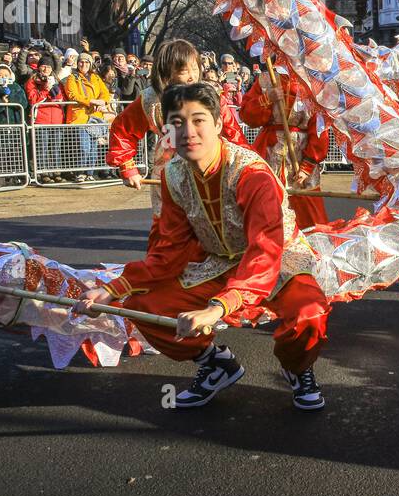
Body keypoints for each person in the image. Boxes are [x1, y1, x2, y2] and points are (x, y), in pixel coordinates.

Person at [74, 83, 332, 411]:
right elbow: (169, 250)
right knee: (145, 307)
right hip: (218, 261)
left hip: (280, 260)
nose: (188, 132)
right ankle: (215, 362)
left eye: (198, 120)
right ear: (167, 129)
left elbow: (265, 250)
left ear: (219, 123)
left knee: (308, 314)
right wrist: (112, 290)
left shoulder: (251, 173)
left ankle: (297, 367)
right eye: (177, 123)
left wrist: (217, 307)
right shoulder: (173, 176)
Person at [107, 38, 249, 245]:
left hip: (209, 165)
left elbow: (232, 132)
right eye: (184, 70)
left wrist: (244, 168)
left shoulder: (211, 95)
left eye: (194, 68)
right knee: (168, 222)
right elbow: (123, 129)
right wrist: (128, 167)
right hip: (167, 167)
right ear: (166, 72)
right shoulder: (149, 99)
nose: (192, 76)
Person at [238, 62, 329, 231]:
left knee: (306, 206)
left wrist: (307, 167)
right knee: (267, 198)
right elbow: (246, 115)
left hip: (301, 152)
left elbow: (319, 128)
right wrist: (266, 99)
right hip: (269, 150)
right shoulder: (265, 79)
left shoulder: (313, 81)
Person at [63, 52, 113, 182]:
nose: (83, 64)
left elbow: (105, 93)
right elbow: (72, 95)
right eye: (81, 62)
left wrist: (103, 102)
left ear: (90, 64)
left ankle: (89, 173)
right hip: (81, 117)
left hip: (95, 117)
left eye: (86, 62)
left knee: (93, 148)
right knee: (84, 147)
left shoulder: (96, 78)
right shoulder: (72, 77)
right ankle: (80, 172)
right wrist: (92, 101)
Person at [26, 55, 67, 183]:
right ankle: (43, 173)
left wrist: (54, 90)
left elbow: (63, 99)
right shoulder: (32, 81)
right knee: (42, 148)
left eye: (48, 66)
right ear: (38, 67)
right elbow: (33, 99)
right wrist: (45, 89)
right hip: (41, 119)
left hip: (56, 118)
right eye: (43, 66)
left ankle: (56, 172)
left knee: (55, 148)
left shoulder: (57, 82)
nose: (45, 69)